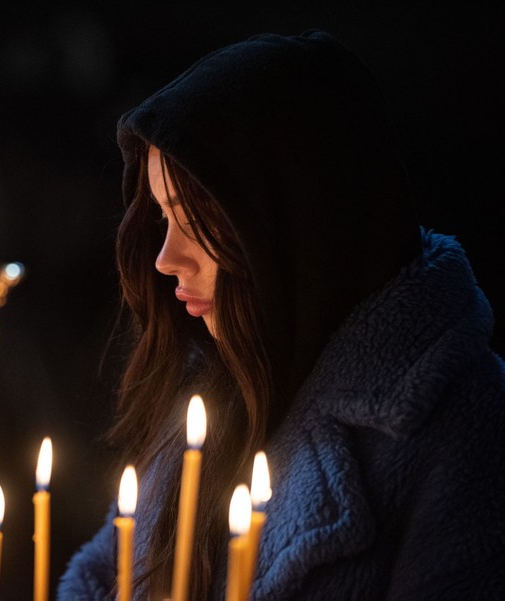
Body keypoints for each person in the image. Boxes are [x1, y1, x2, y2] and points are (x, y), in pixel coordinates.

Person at [57, 30, 505, 600]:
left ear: (295, 229)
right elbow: (101, 578)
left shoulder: (467, 428)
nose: (165, 259)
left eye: (195, 223)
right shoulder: (208, 399)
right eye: (162, 220)